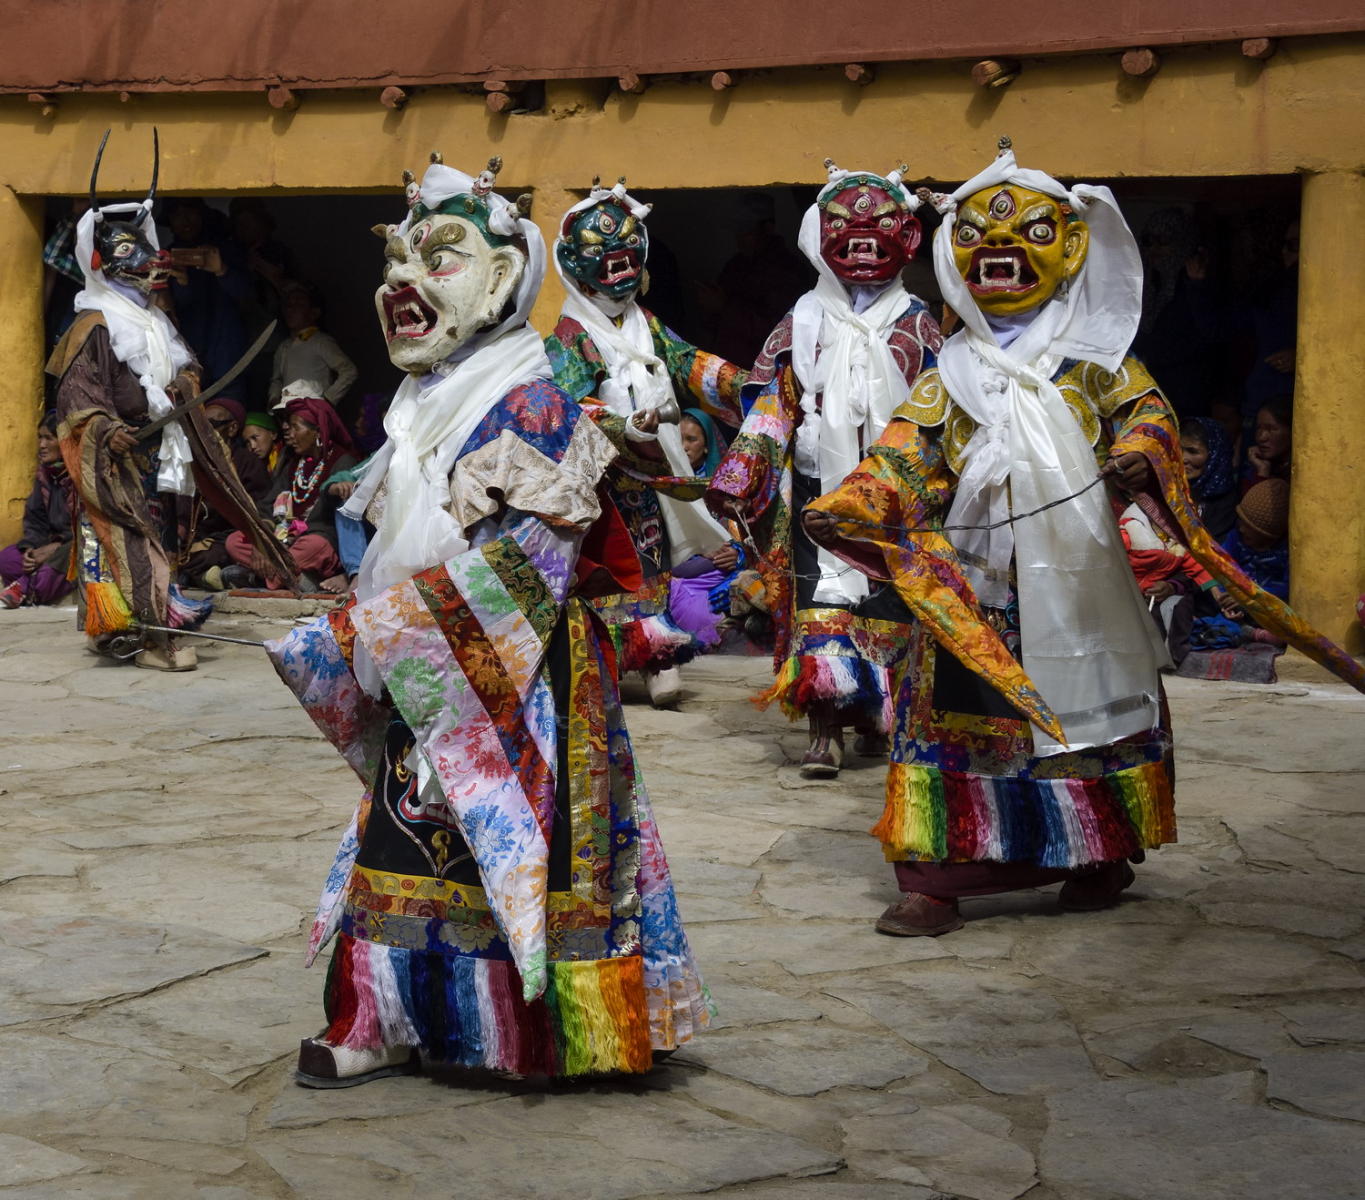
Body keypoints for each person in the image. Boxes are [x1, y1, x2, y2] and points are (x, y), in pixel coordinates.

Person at [802, 137, 1365, 936]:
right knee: (958, 730)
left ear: (1067, 250)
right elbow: (903, 451)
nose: (997, 250)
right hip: (976, 590)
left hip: (1076, 580)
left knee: (1084, 723)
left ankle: (1094, 852)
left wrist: (1139, 455)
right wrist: (854, 500)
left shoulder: (1094, 360)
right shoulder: (947, 371)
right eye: (976, 237)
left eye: (1024, 233)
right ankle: (935, 877)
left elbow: (1148, 416)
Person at [265, 155, 709, 1086]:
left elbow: (528, 567)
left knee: (514, 849)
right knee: (399, 837)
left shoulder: (533, 401)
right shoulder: (415, 408)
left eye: (440, 260)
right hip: (426, 658)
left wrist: (377, 632)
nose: (402, 285)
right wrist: (374, 625)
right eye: (394, 268)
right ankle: (377, 1018)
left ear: (505, 280)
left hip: (527, 675)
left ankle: (529, 1031)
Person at [707, 160, 943, 778]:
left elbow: (944, 407)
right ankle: (823, 732)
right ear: (820, 236)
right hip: (817, 493)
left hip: (894, 498)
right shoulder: (801, 319)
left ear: (905, 238)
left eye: (879, 226)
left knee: (889, 609)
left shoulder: (920, 321)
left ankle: (874, 717)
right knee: (822, 606)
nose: (861, 243)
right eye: (844, 226)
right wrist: (741, 472)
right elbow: (770, 400)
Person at [48, 131, 291, 671]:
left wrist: (185, 386)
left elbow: (184, 368)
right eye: (130, 258)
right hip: (118, 458)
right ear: (104, 263)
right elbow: (78, 397)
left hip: (162, 453)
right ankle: (150, 638)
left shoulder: (154, 320)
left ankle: (144, 628)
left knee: (161, 541)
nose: (146, 265)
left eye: (146, 256)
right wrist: (109, 431)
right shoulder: (92, 325)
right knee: (121, 548)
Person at [546, 179, 746, 708]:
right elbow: (569, 401)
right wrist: (624, 427)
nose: (618, 266)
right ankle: (619, 659)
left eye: (626, 254)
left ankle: (656, 658)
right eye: (604, 257)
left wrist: (740, 384)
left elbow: (685, 361)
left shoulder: (646, 324)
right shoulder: (570, 336)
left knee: (652, 558)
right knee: (609, 565)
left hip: (656, 463)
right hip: (604, 474)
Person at [224, 386, 355, 592]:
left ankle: (258, 578)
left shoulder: (341, 460)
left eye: (296, 428)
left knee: (315, 546)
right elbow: (267, 507)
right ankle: (289, 578)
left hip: (316, 540)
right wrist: (264, 543)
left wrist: (281, 547)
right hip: (282, 542)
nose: (290, 434)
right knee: (234, 541)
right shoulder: (294, 463)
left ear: (317, 430)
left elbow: (330, 521)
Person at [668, 409, 745, 650]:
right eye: (678, 439)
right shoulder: (664, 485)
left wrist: (738, 554)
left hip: (720, 569)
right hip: (682, 568)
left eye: (691, 439)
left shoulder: (723, 488)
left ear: (707, 446)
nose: (684, 447)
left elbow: (743, 533)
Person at [180, 396, 274, 590]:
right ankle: (203, 576)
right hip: (196, 537)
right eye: (201, 424)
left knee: (207, 556)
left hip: (228, 536)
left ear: (231, 429)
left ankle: (208, 575)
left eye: (212, 424)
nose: (204, 430)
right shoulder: (195, 461)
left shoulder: (247, 463)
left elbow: (257, 509)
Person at [163, 197, 252, 387]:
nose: (185, 220)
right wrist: (181, 281)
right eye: (177, 215)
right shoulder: (166, 259)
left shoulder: (225, 249)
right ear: (170, 222)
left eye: (190, 212)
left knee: (225, 412)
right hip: (184, 356)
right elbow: (167, 310)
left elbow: (248, 296)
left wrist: (222, 270)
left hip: (227, 354)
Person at [0, 415, 74, 608]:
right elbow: (34, 522)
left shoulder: (80, 477)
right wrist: (31, 551)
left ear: (65, 441)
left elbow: (88, 526)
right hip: (49, 546)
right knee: (7, 559)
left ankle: (24, 589)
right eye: (39, 438)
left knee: (63, 562)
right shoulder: (44, 477)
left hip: (74, 546)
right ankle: (32, 585)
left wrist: (55, 547)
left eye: (49, 438)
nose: (41, 445)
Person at [267, 285, 358, 408]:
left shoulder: (321, 341)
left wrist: (327, 401)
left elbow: (349, 370)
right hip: (289, 414)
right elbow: (277, 379)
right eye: (288, 305)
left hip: (314, 415)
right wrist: (274, 398)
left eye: (299, 304)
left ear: (314, 313)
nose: (290, 310)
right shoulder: (283, 347)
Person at [1223, 478, 1290, 601]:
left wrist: (1251, 596)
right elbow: (1221, 566)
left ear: (1268, 536)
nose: (1242, 529)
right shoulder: (1236, 538)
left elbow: (1286, 589)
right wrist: (1223, 597)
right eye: (1241, 522)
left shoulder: (1285, 554)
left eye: (1250, 528)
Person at [1180, 414, 1237, 539]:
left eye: (1193, 451)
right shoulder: (1171, 489)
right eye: (1179, 449)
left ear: (1214, 455)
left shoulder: (1226, 502)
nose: (1183, 459)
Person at [1244, 397, 1292, 491]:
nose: (1261, 437)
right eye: (1258, 428)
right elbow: (1253, 505)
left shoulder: (1301, 475)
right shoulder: (1256, 468)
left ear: (1291, 431)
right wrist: (1262, 471)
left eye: (1272, 429)